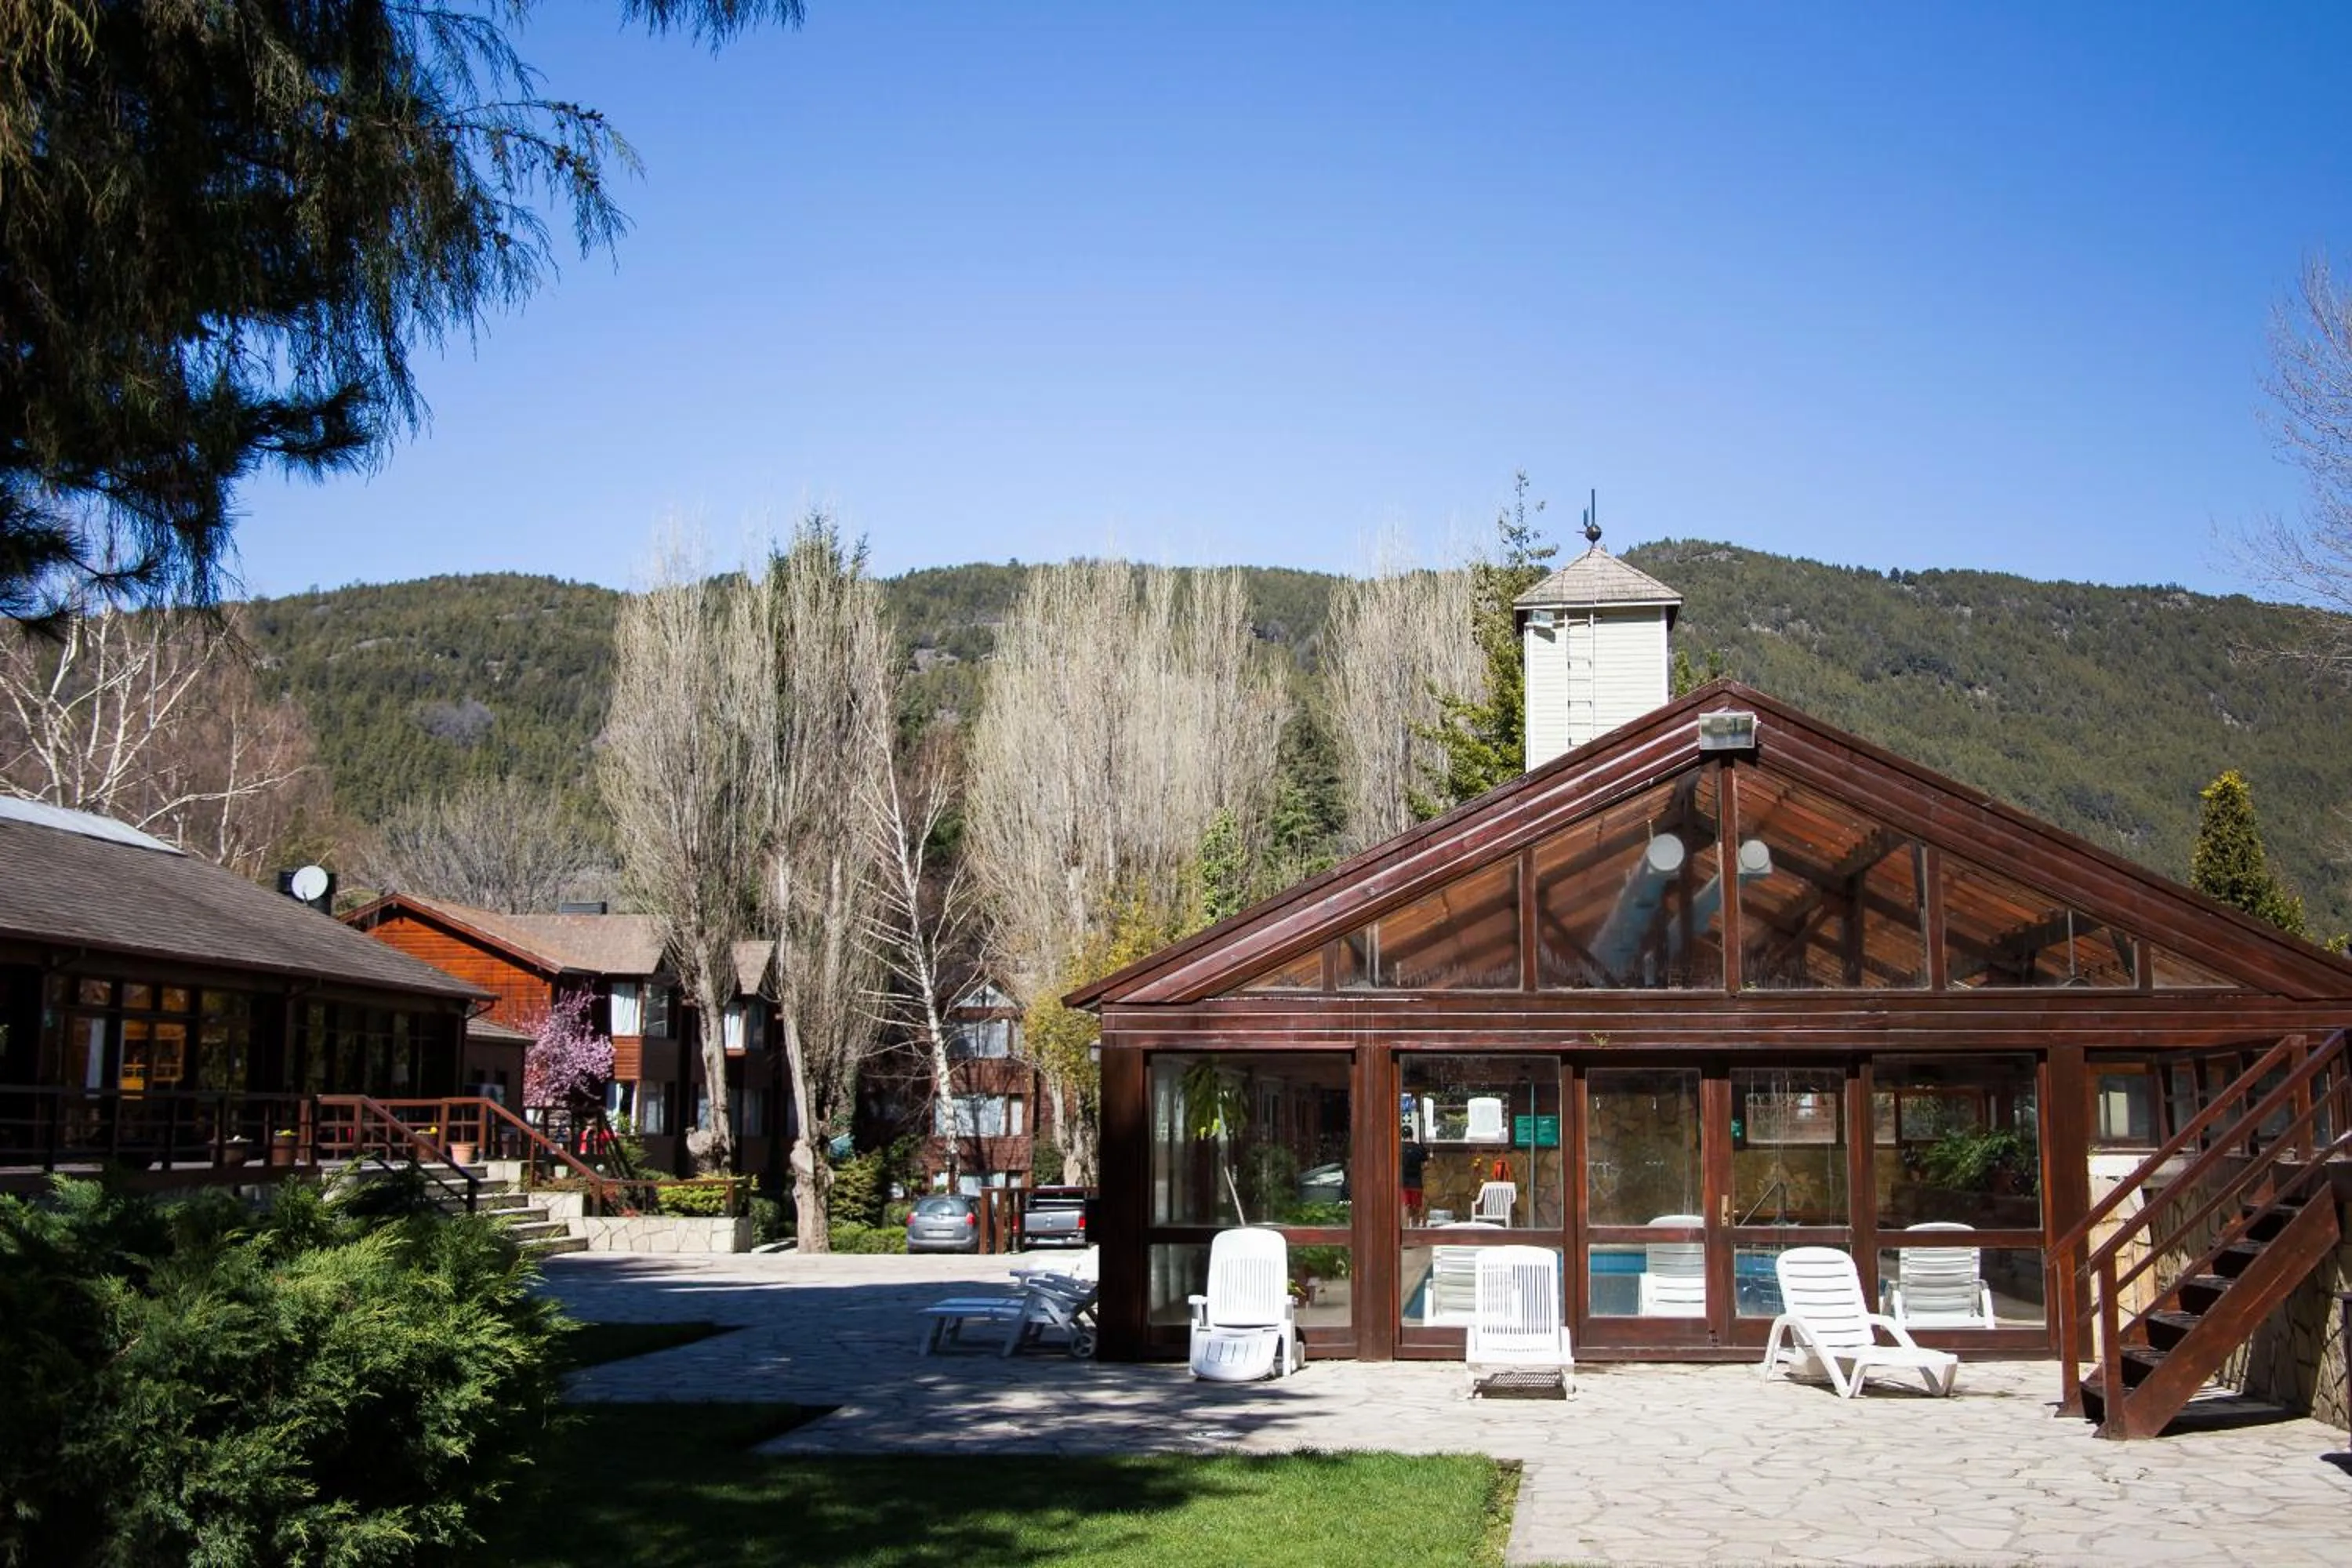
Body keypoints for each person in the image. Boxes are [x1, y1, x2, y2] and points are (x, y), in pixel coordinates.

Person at [1400, 1133, 1428, 1224]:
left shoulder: (1399, 1148)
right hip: (1416, 1182)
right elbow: (1426, 1164)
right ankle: (1415, 1228)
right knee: (1416, 1206)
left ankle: (1405, 1228)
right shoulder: (1419, 1148)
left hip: (1403, 1182)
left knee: (1405, 1206)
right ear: (1412, 1135)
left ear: (1402, 1136)